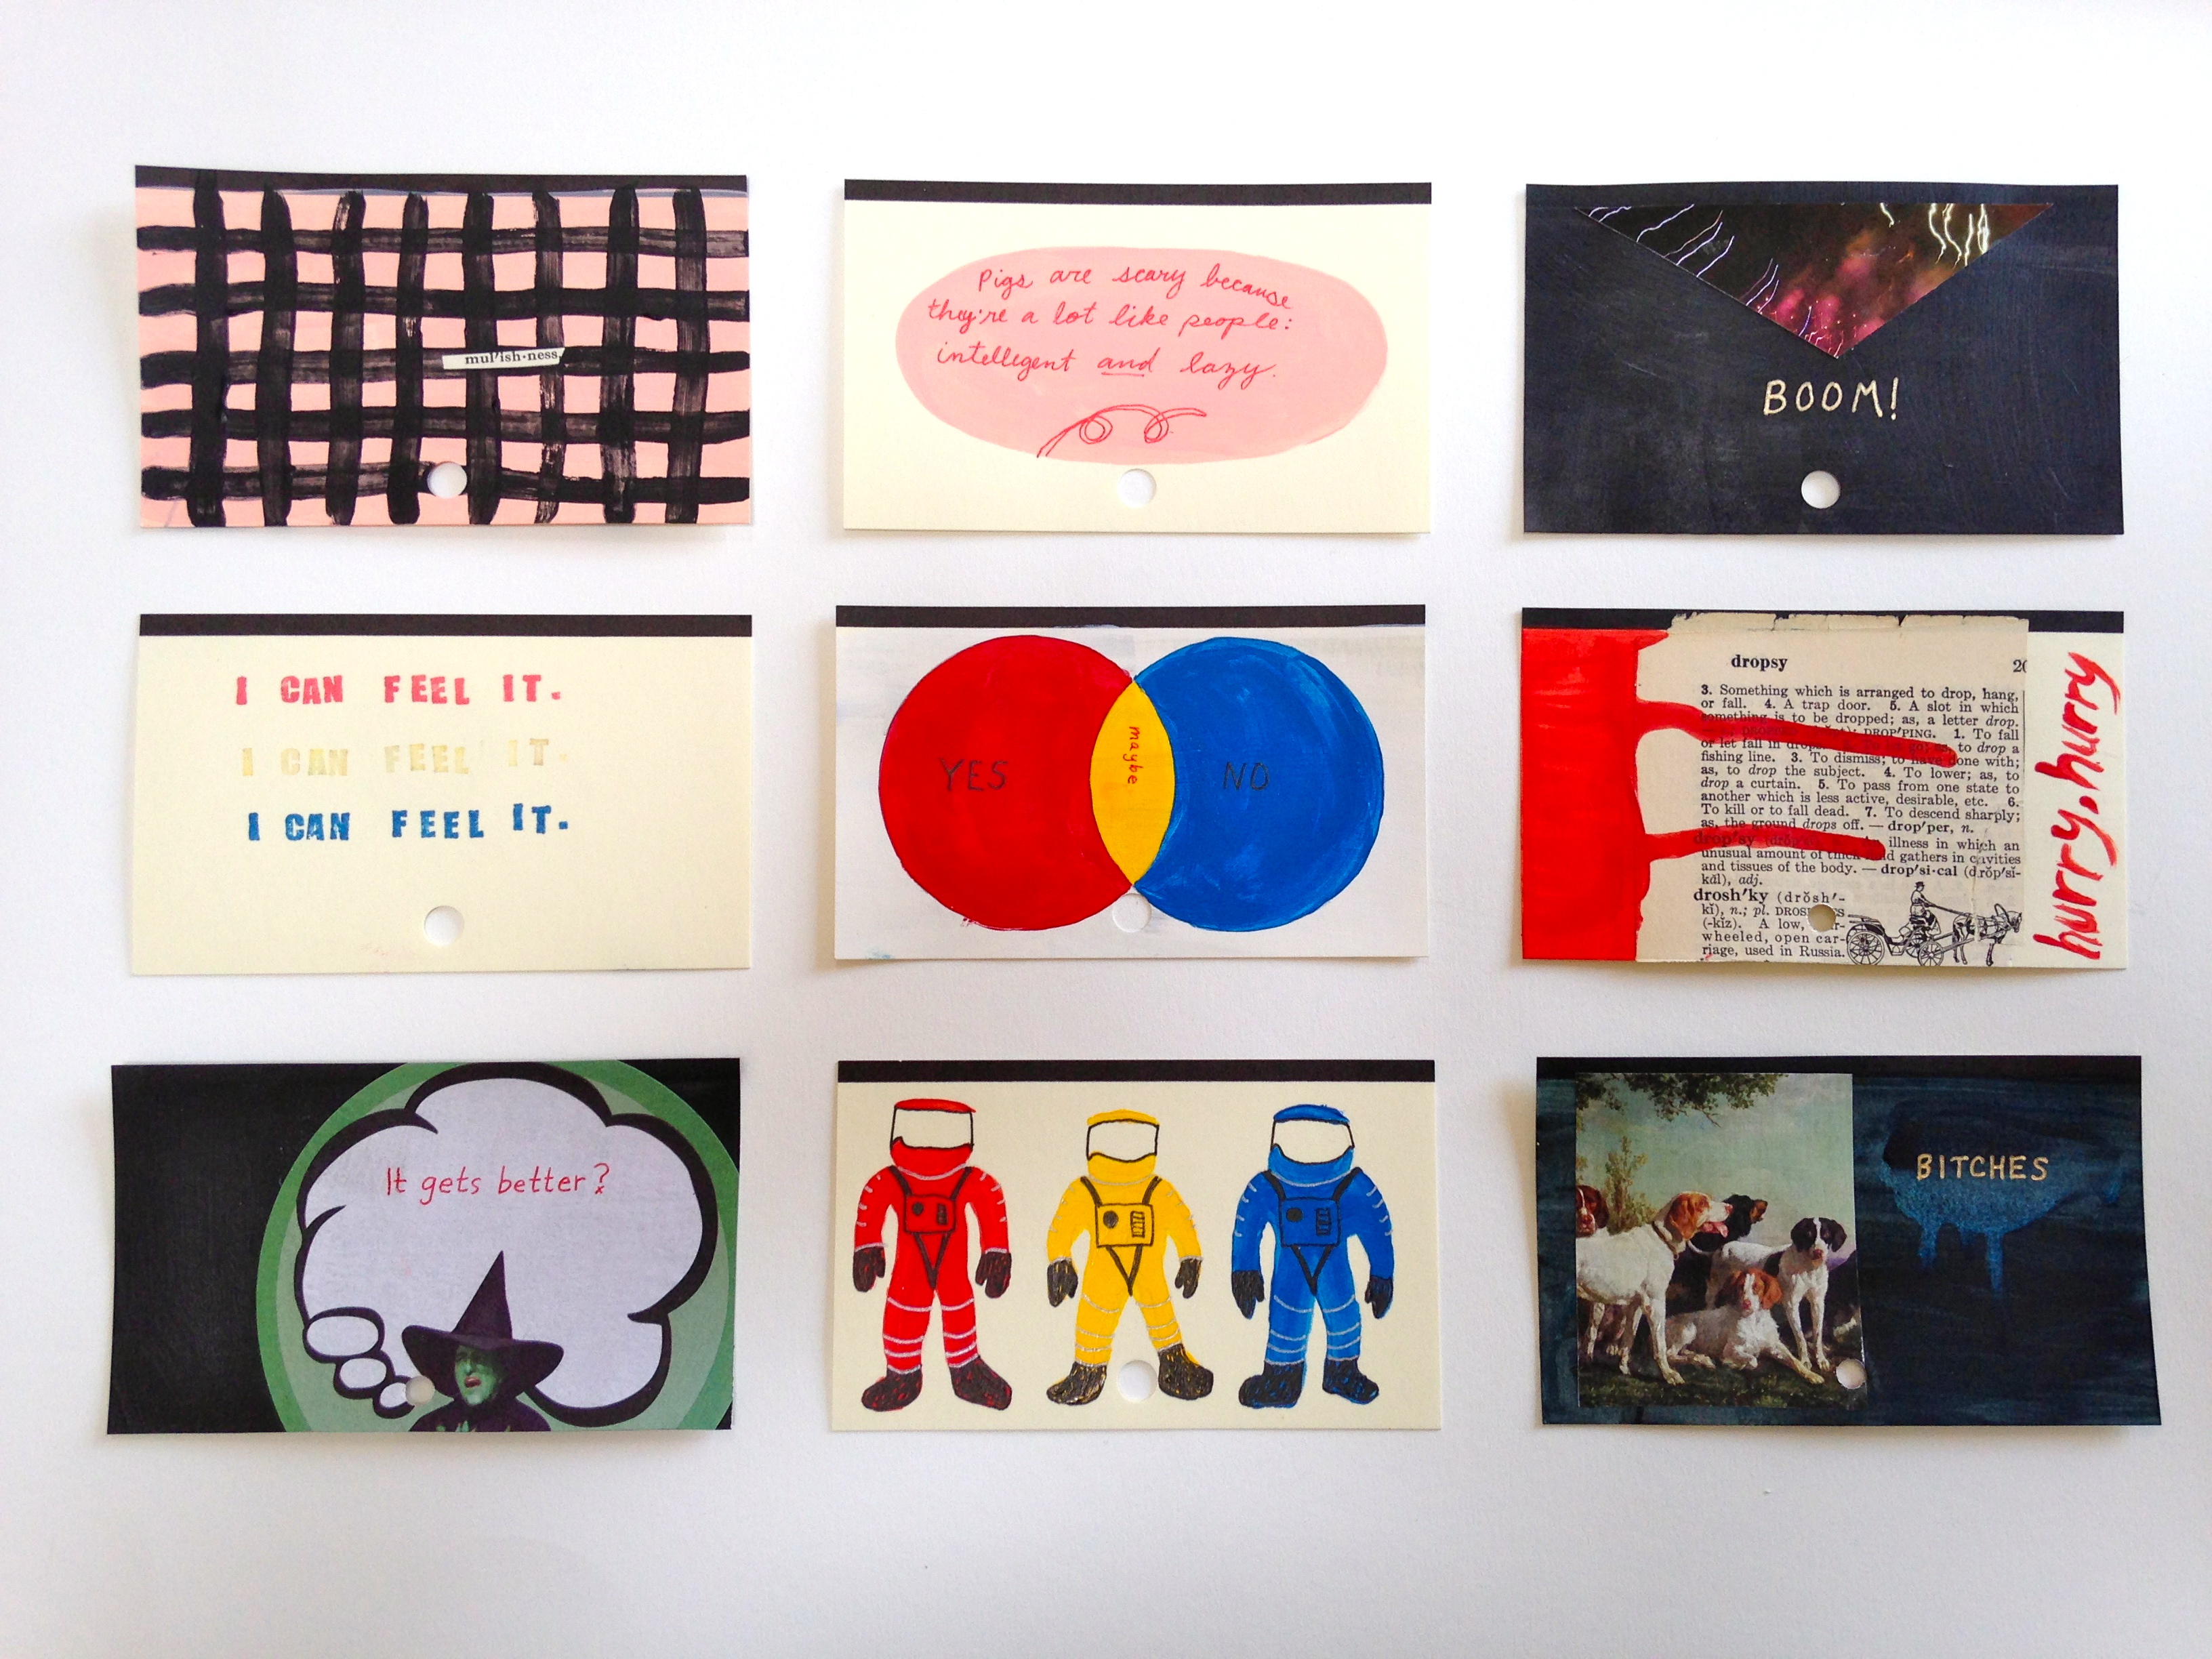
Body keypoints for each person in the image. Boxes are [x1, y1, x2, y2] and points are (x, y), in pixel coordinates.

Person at [851, 1099, 1012, 1412]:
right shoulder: (898, 1180)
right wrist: (867, 1246)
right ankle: (906, 1374)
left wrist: (995, 1252)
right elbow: (991, 1199)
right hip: (916, 1268)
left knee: (939, 1308)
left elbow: (989, 1200)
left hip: (943, 1267)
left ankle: (963, 1369)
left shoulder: (960, 1179)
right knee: (908, 1310)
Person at [1042, 1110, 1212, 1405]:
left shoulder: (1157, 1190)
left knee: (1160, 1316)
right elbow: (1062, 1227)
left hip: (1145, 1270)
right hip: (1106, 1272)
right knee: (1094, 1320)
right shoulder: (1086, 1190)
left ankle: (1176, 1367)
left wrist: (1190, 1258)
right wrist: (1061, 1260)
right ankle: (1086, 1376)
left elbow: (1183, 1223)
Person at [1231, 1104, 1395, 1408]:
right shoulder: (1271, 1186)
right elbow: (1247, 1226)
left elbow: (1378, 1228)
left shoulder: (1352, 1187)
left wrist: (1382, 1273)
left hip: (1321, 1269)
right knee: (1295, 1318)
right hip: (1299, 1271)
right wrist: (1245, 1269)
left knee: (1338, 1316)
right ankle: (1283, 1378)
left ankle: (1340, 1372)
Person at [403, 1254, 563, 1432]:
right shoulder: (428, 1428)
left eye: (479, 1357)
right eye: (461, 1358)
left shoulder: (529, 1427)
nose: (468, 1367)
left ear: (501, 1368)